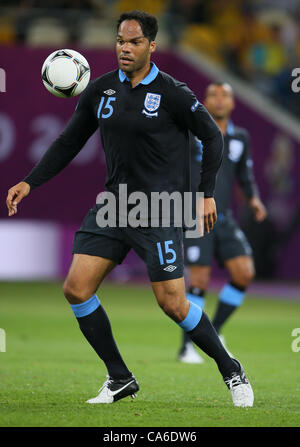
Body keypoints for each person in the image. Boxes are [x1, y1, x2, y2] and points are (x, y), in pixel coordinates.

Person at [6, 11, 254, 407]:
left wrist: (205, 193)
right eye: (121, 40)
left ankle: (231, 369)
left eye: (134, 41)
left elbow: (213, 138)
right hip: (114, 207)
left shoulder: (175, 93)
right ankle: (120, 377)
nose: (125, 47)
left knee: (173, 303)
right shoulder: (101, 90)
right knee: (76, 288)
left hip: (159, 209)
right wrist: (30, 181)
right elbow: (68, 142)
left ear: (151, 46)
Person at [179, 82, 267, 364]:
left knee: (244, 273)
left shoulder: (240, 137)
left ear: (233, 103)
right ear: (204, 101)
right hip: (195, 215)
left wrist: (253, 198)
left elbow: (245, 173)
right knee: (200, 280)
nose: (218, 100)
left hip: (225, 217)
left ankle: (212, 333)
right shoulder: (191, 133)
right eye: (213, 95)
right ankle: (187, 347)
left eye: (225, 95)